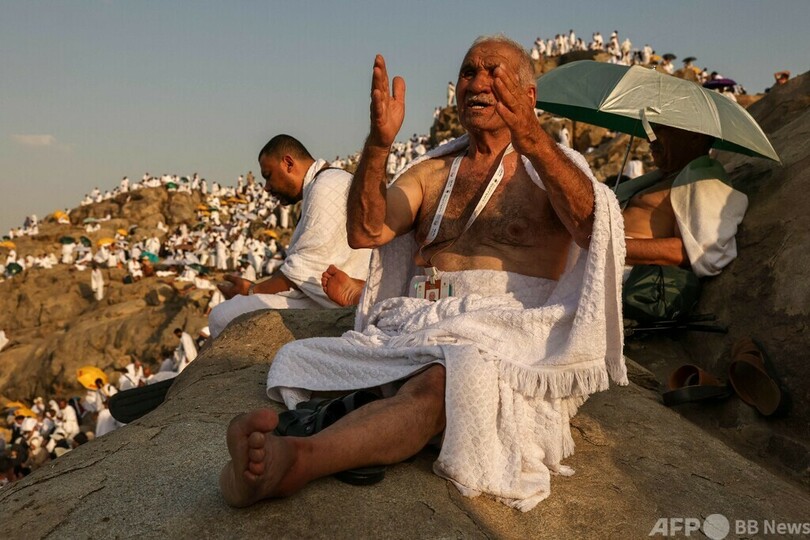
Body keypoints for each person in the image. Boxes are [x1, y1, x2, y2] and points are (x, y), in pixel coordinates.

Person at [219, 36, 625, 511]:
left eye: (494, 73)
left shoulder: (552, 170)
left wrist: (532, 137)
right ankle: (358, 419)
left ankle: (298, 460)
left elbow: (590, 227)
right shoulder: (432, 173)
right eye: (469, 72)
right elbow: (367, 229)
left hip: (499, 328)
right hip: (415, 322)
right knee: (298, 359)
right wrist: (378, 143)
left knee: (447, 379)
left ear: (528, 95)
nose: (477, 83)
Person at [207, 135, 371, 338]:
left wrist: (252, 290)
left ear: (288, 163)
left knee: (222, 316)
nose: (266, 187)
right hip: (322, 295)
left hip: (335, 300)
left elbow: (306, 267)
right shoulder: (325, 183)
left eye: (268, 175)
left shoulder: (326, 185)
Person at [617, 124, 747, 277]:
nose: (649, 138)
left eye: (659, 130)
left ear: (695, 136)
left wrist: (611, 246)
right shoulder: (665, 178)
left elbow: (696, 251)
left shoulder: (703, 183)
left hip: (620, 266)